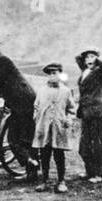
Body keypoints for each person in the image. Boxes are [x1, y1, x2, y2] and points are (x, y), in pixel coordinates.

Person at [0, 32, 38, 181]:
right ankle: (31, 167)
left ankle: (32, 168)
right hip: (16, 102)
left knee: (18, 139)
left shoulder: (2, 60)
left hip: (23, 101)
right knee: (17, 138)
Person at [33, 63, 77, 193]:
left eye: (56, 73)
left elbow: (71, 108)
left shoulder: (65, 91)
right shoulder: (41, 91)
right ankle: (44, 180)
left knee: (59, 154)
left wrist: (68, 120)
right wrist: (37, 118)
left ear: (60, 74)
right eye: (51, 73)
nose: (53, 76)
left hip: (59, 127)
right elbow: (36, 106)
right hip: (44, 127)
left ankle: (61, 181)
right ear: (48, 75)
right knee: (44, 154)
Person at [76, 47, 102, 183]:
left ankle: (101, 174)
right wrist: (87, 56)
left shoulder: (99, 72)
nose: (88, 60)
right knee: (84, 146)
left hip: (97, 112)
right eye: (86, 57)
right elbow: (77, 58)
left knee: (98, 144)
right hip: (86, 113)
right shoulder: (85, 72)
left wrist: (97, 58)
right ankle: (90, 172)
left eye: (91, 57)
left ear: (96, 59)